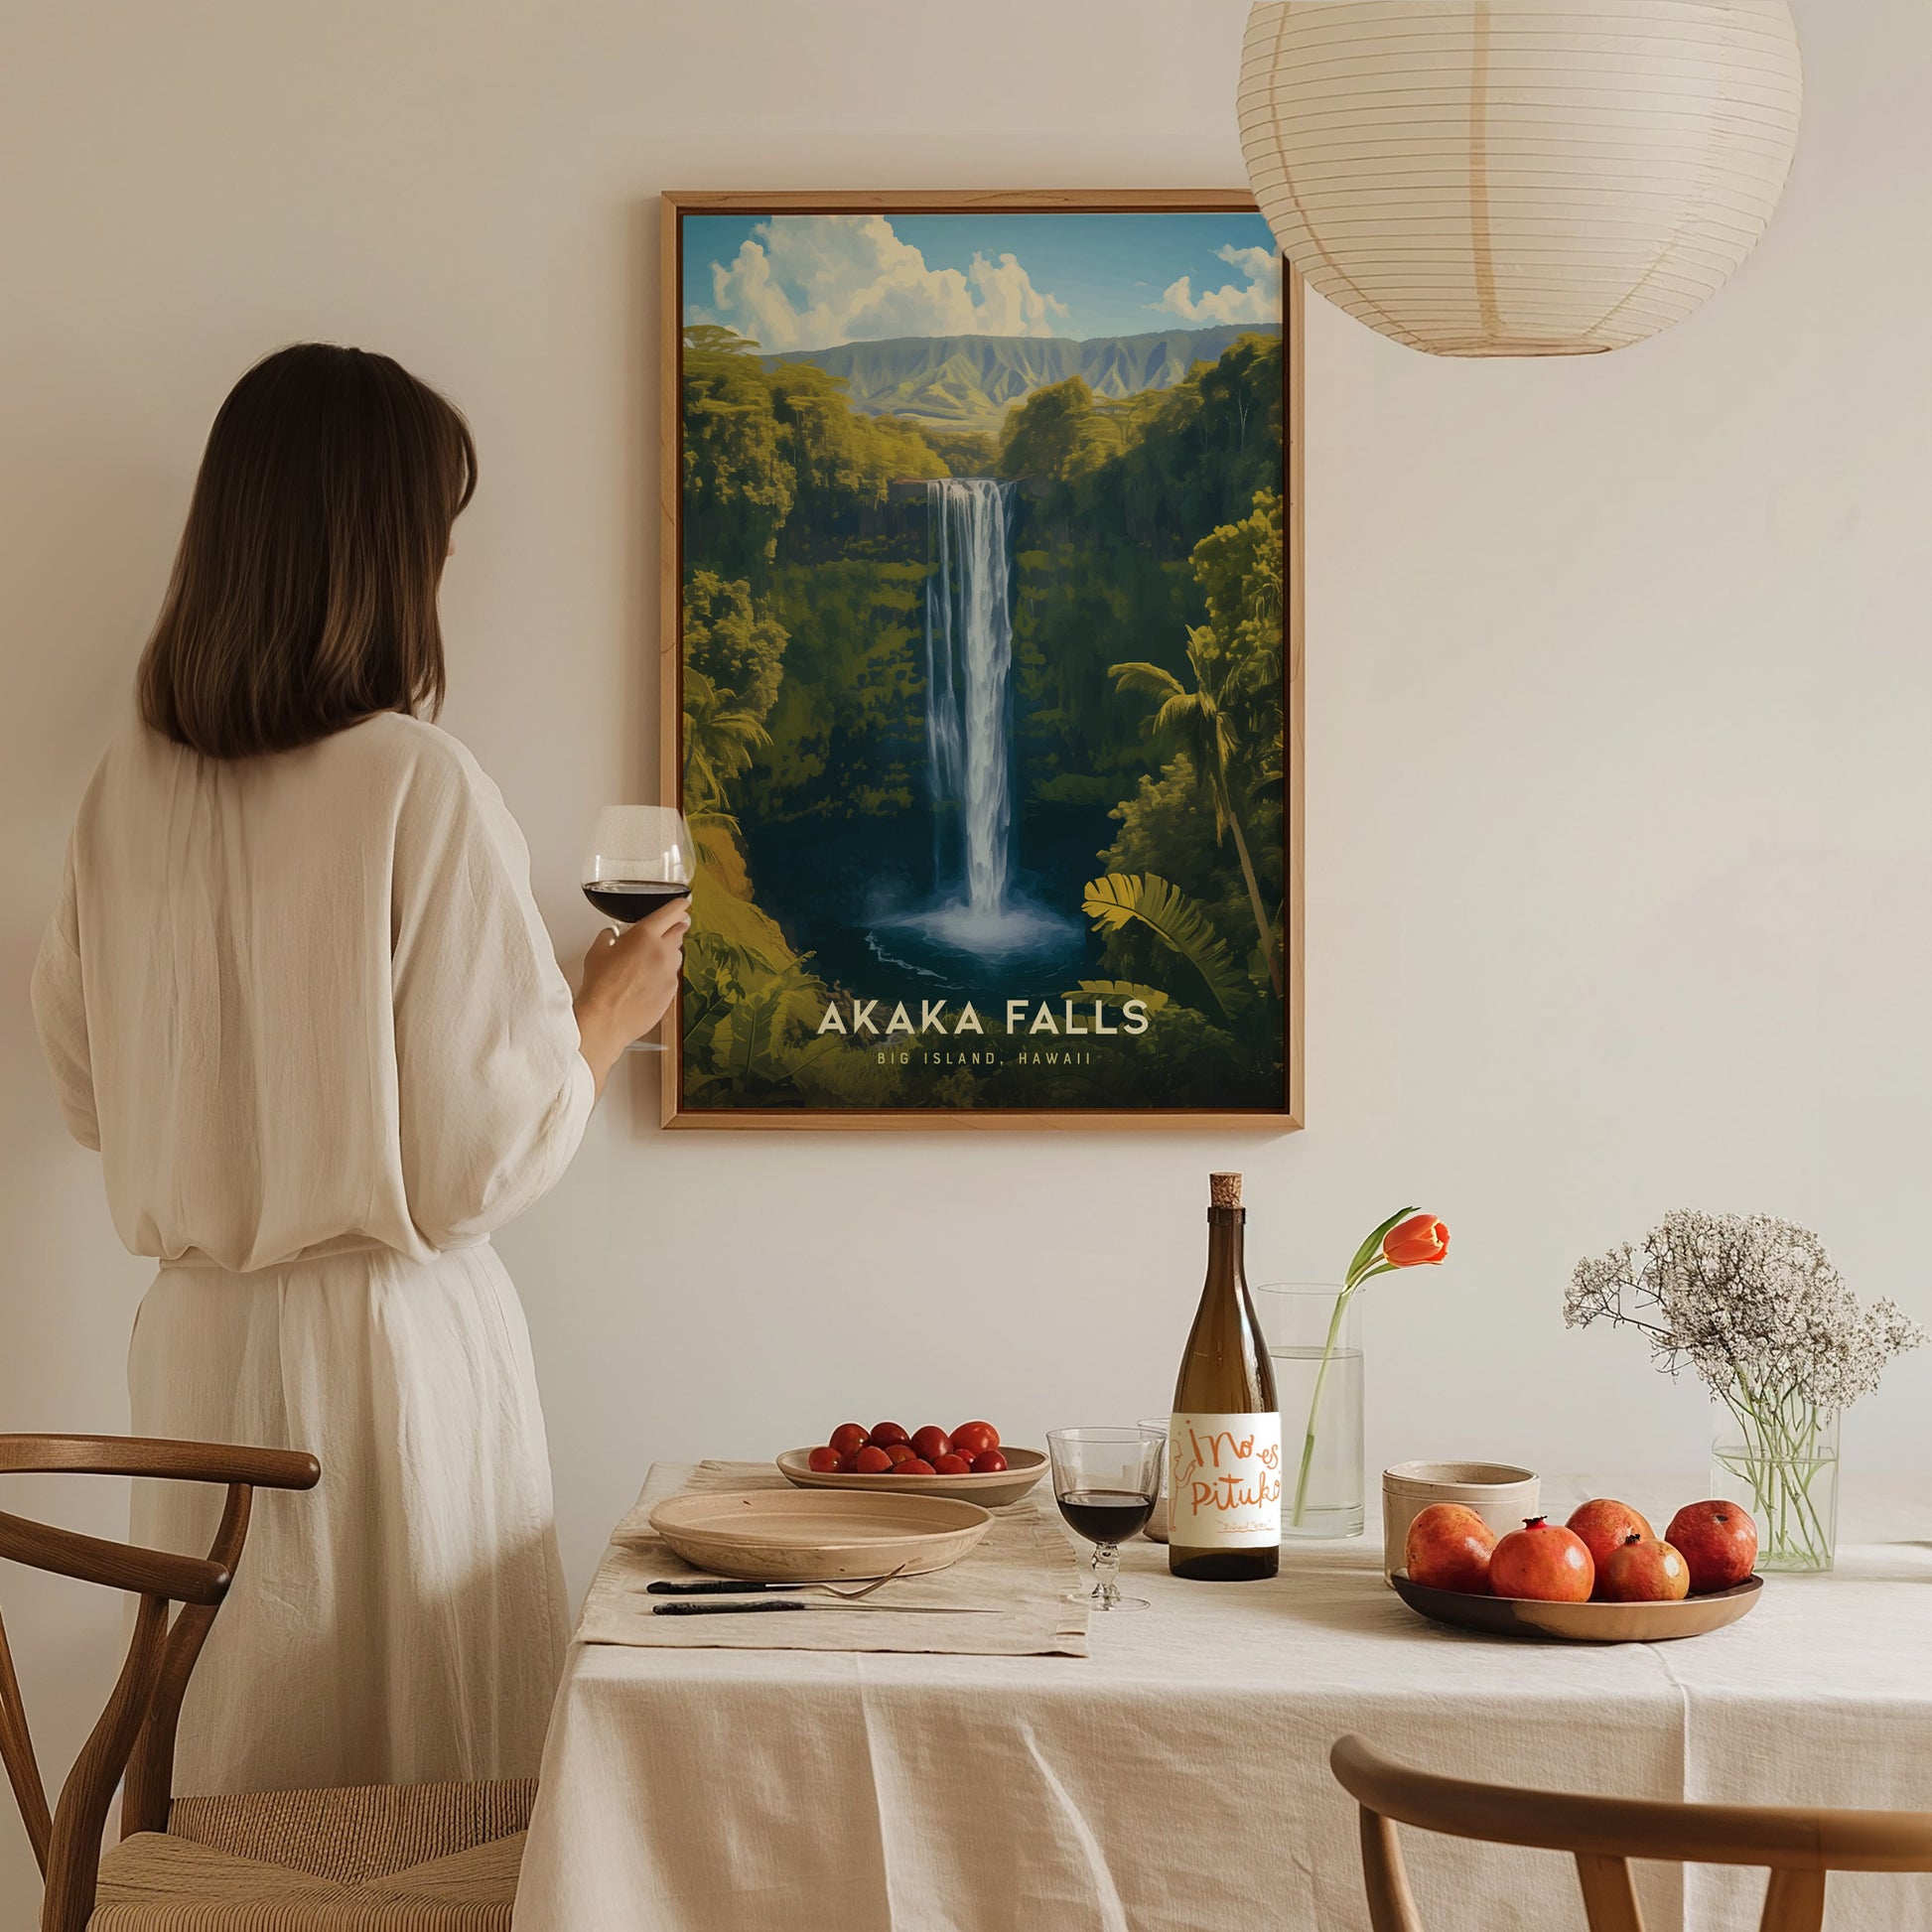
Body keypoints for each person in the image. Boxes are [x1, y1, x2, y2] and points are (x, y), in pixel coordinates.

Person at [29, 343, 684, 1793]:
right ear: (384, 552)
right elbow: (470, 1165)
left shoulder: (122, 791)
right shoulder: (414, 780)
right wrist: (602, 1013)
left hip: (197, 1352)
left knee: (239, 1779)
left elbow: (86, 1093)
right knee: (420, 1800)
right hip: (388, 1363)